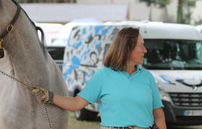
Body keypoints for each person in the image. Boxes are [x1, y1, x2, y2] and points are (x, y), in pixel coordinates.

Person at [32, 27, 166, 129]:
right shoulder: (103, 76)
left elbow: (159, 115)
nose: (145, 50)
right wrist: (50, 97)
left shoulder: (147, 77)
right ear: (128, 48)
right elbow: (76, 103)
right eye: (141, 45)